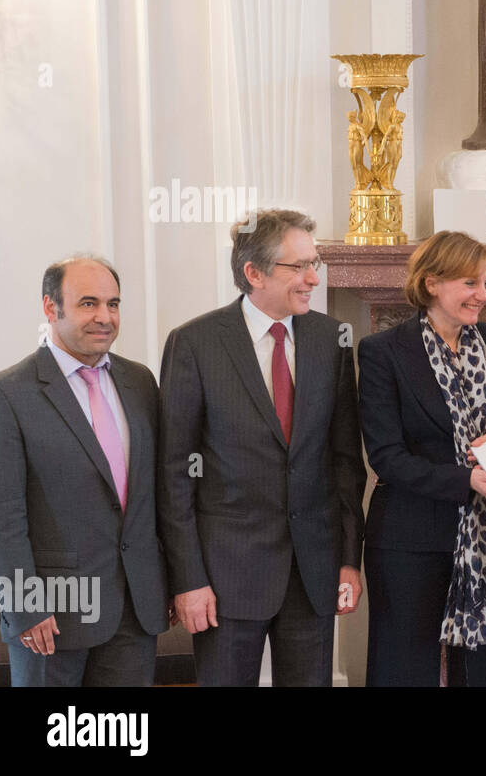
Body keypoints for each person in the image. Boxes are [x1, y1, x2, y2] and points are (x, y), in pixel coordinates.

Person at [158, 209, 365, 686]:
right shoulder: (194, 343)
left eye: (315, 263)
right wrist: (188, 579)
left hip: (312, 572)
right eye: (299, 267)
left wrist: (349, 560)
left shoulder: (331, 339)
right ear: (254, 273)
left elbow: (345, 462)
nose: (314, 278)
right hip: (225, 577)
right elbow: (173, 473)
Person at [357, 231, 486, 686]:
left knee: (485, 670)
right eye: (471, 284)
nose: (483, 296)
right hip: (410, 537)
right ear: (432, 283)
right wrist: (465, 480)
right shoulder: (384, 352)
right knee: (404, 668)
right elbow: (387, 456)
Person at [0, 257, 168, 686]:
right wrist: (23, 606)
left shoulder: (141, 381)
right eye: (88, 303)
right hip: (51, 617)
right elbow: (4, 514)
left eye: (113, 304)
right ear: (50, 308)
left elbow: (156, 494)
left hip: (134, 609)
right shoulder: (9, 393)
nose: (104, 317)